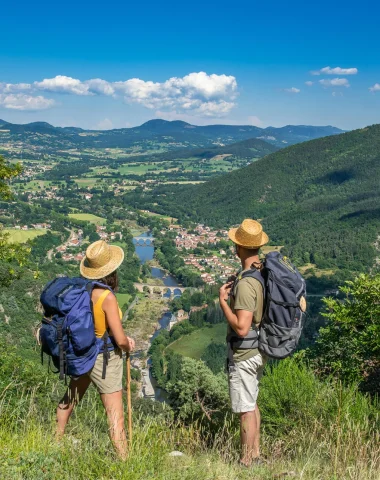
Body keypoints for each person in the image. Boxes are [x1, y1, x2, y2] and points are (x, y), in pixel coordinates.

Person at [56, 240, 135, 459]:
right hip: (104, 360)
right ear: (111, 270)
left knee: (69, 399)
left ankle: (56, 442)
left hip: (82, 354)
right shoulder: (107, 296)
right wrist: (129, 344)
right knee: (115, 416)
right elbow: (119, 339)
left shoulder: (81, 290)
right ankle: (125, 462)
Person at [219, 219, 269, 467]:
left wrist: (223, 303)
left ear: (239, 248)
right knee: (252, 403)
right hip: (257, 350)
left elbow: (241, 326)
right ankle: (256, 454)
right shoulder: (258, 274)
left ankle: (246, 460)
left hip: (245, 354)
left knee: (245, 409)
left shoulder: (248, 283)